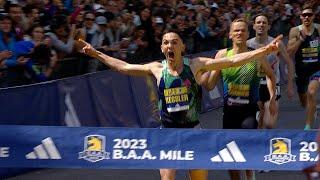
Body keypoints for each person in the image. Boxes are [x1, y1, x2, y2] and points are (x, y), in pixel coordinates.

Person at [78, 30, 281, 180]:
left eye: (174, 42)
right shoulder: (157, 69)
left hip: (193, 132)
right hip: (167, 133)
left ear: (182, 47)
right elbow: (124, 67)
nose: (169, 46)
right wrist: (96, 54)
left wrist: (263, 50)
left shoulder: (195, 65)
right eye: (166, 42)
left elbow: (232, 61)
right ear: (162, 48)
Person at [205, 18, 277, 180]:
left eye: (242, 30)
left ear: (247, 34)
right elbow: (209, 85)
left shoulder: (256, 55)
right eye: (236, 30)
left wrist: (272, 98)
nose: (239, 33)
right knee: (230, 154)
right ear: (230, 35)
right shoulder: (223, 55)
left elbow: (271, 75)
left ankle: (250, 177)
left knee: (247, 148)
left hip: (249, 111)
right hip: (229, 113)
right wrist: (202, 71)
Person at [247, 14, 294, 129]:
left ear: (268, 26)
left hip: (272, 85)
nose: (261, 25)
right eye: (258, 22)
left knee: (269, 124)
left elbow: (289, 62)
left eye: (264, 22)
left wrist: (290, 85)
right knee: (257, 123)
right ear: (253, 26)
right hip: (254, 85)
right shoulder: (248, 44)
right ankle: (259, 143)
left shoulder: (277, 44)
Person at [287, 4, 320, 129]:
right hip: (301, 71)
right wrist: (300, 40)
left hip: (316, 69)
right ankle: (312, 111)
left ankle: (308, 127)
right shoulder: (295, 31)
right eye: (304, 15)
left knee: (311, 93)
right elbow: (289, 51)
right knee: (304, 101)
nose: (307, 17)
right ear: (300, 17)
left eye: (309, 15)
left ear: (313, 16)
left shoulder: (318, 29)